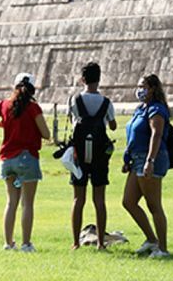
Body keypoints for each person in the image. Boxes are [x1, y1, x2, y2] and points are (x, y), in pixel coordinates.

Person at [0, 72, 49, 251]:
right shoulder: (33, 108)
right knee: (27, 203)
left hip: (7, 159)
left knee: (11, 202)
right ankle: (26, 243)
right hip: (27, 158)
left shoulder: (4, 105)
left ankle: (8, 243)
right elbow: (46, 134)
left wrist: (3, 124)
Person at [64, 62, 117, 250]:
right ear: (99, 78)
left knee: (78, 199)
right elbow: (112, 126)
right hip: (99, 156)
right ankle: (101, 243)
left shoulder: (74, 100)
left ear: (82, 79)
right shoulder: (106, 102)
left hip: (79, 155)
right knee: (99, 200)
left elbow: (72, 121)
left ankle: (76, 242)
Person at [121, 72, 171, 257]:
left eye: (144, 87)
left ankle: (163, 249)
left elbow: (156, 135)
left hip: (150, 159)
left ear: (153, 89)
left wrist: (150, 160)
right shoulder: (141, 108)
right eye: (139, 86)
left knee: (153, 205)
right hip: (137, 159)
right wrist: (128, 159)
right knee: (129, 201)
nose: (140, 90)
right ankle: (151, 239)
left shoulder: (156, 109)